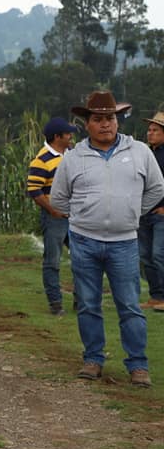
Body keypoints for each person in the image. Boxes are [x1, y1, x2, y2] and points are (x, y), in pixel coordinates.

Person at [51, 91, 164, 388]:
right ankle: (93, 359)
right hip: (84, 241)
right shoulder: (73, 158)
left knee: (129, 305)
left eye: (110, 118)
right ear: (86, 123)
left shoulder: (139, 151)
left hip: (125, 242)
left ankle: (138, 365)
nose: (105, 125)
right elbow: (59, 200)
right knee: (88, 303)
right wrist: (85, 215)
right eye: (98, 119)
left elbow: (156, 188)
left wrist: (131, 212)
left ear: (118, 120)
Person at [26, 117, 77, 316]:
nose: (71, 136)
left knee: (82, 260)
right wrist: (52, 210)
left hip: (75, 217)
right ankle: (55, 303)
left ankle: (80, 301)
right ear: (57, 137)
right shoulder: (42, 160)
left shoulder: (72, 155)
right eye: (68, 134)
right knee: (52, 261)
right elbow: (34, 189)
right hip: (55, 217)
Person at [138, 111, 164, 312]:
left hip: (160, 214)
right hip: (145, 212)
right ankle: (156, 296)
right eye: (149, 130)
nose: (150, 133)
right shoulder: (146, 154)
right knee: (145, 255)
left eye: (155, 130)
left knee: (158, 254)